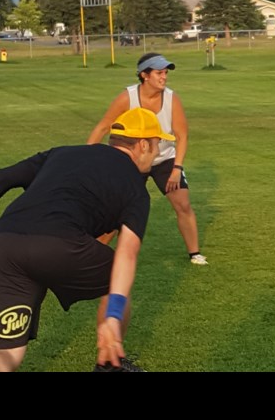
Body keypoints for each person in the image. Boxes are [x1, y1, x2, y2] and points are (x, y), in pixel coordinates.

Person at [0, 107, 173, 372]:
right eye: (157, 144)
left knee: (6, 352)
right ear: (142, 145)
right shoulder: (135, 188)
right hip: (59, 244)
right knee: (118, 280)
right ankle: (109, 363)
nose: (157, 153)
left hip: (6, 242)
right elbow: (126, 254)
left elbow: (2, 177)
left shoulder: (62, 153)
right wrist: (113, 316)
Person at [87, 52, 207, 266]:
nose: (164, 77)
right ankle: (92, 253)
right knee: (117, 209)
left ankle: (195, 254)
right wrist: (86, 156)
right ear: (144, 75)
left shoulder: (172, 98)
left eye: (166, 73)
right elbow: (103, 126)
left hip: (164, 159)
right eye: (159, 73)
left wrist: (177, 168)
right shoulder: (128, 97)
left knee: (183, 204)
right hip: (132, 161)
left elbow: (182, 135)